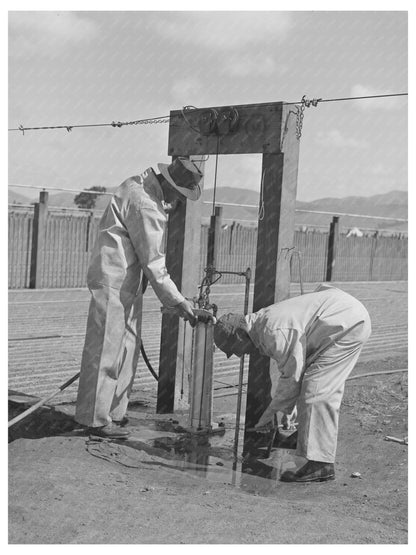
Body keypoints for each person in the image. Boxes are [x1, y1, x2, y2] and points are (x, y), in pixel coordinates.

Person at [75, 157, 203, 439]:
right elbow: (154, 263)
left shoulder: (138, 184)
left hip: (129, 282)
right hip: (114, 280)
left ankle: (116, 413)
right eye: (179, 196)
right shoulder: (146, 205)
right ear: (170, 186)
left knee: (128, 348)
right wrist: (179, 302)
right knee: (106, 349)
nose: (177, 203)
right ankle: (95, 419)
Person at [213, 284, 371, 483]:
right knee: (313, 385)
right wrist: (286, 411)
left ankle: (320, 465)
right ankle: (305, 439)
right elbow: (293, 371)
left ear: (238, 335)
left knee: (317, 391)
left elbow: (292, 376)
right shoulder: (261, 326)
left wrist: (269, 416)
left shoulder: (273, 331)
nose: (237, 355)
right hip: (339, 316)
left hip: (346, 323)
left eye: (233, 349)